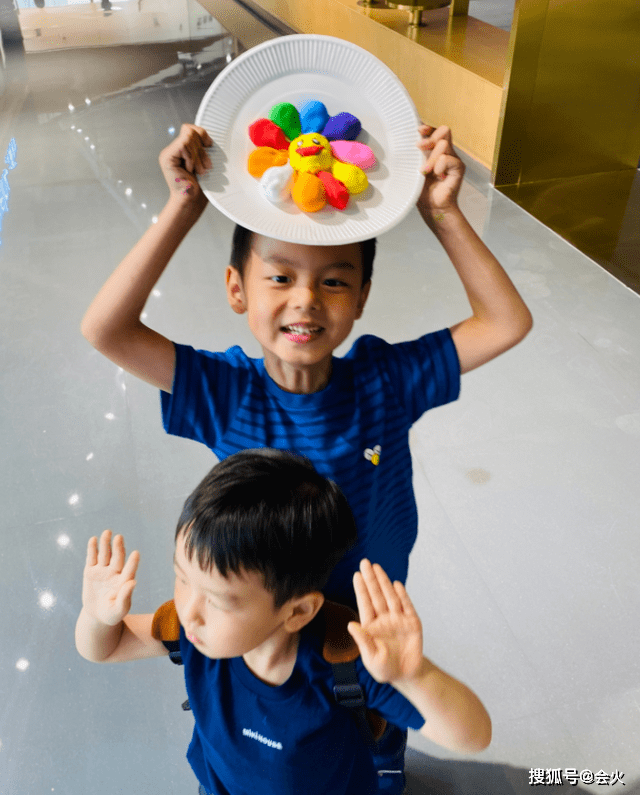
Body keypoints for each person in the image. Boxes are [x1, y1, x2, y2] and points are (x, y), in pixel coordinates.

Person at [80, 119, 529, 791]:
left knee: (371, 747)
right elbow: (106, 328)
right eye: (280, 275)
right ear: (238, 289)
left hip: (362, 641)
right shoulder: (225, 391)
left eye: (334, 281)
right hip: (260, 618)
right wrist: (183, 204)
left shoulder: (385, 380)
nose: (305, 299)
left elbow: (505, 322)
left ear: (362, 297)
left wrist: (443, 215)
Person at [75, 449, 492, 795]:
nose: (189, 610)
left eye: (218, 600)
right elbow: (107, 648)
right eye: (182, 579)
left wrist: (414, 675)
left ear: (298, 612)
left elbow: (471, 736)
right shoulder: (191, 631)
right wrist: (96, 617)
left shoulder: (342, 656)